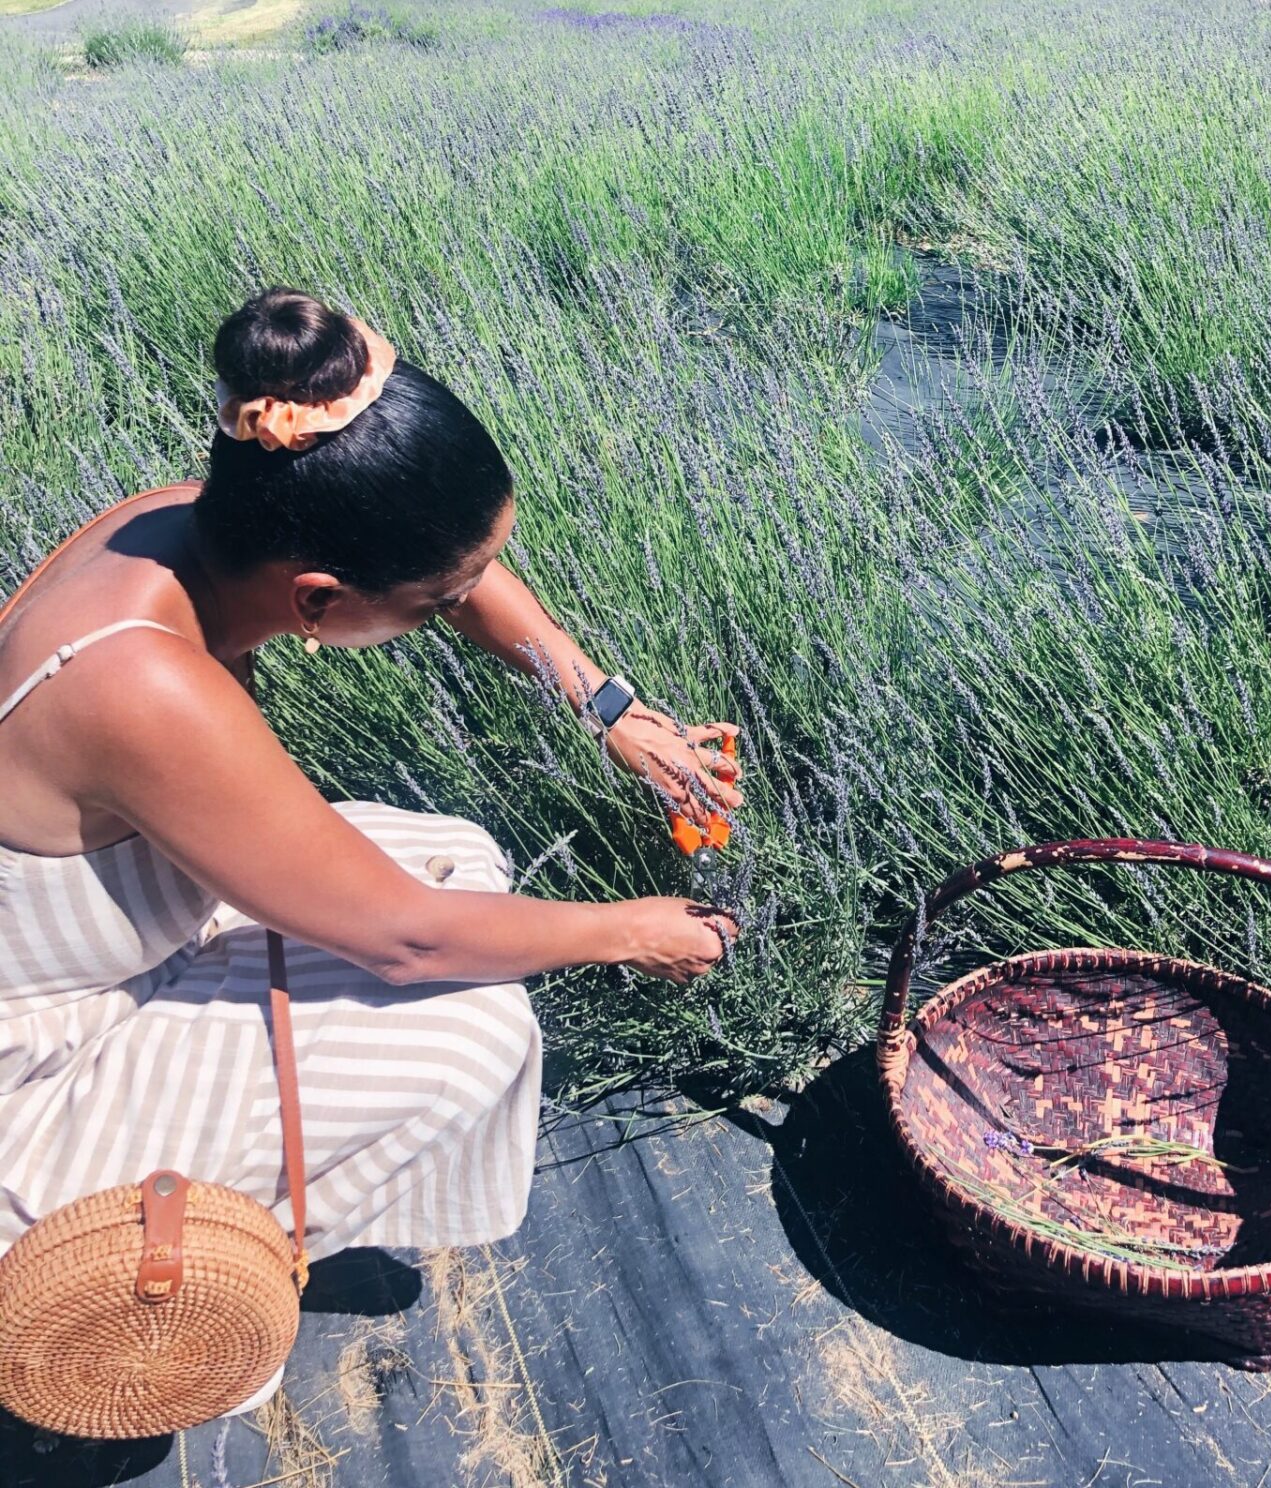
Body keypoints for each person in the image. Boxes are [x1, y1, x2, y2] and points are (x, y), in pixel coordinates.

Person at [0, 287, 742, 1411]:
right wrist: (632, 932)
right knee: (470, 1029)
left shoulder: (190, 518)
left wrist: (608, 709)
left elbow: (461, 570)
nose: (451, 606)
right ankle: (195, 1256)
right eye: (427, 601)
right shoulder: (144, 686)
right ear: (318, 599)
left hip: (127, 930)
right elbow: (406, 942)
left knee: (456, 850)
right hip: (45, 1051)